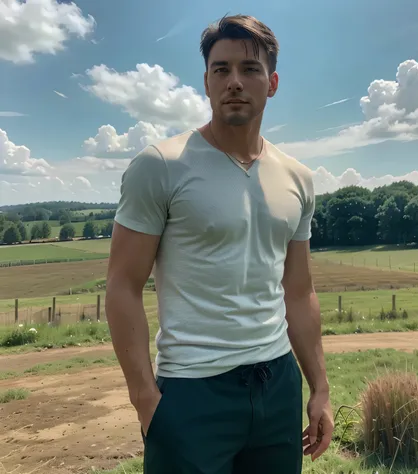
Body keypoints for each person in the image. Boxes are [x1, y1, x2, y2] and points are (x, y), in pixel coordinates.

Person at [105, 13, 333, 474]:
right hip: (191, 391)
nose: (234, 81)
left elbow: (299, 290)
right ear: (206, 82)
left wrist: (319, 387)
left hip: (277, 384)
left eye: (249, 69)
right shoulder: (160, 166)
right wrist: (146, 399)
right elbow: (122, 286)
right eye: (221, 69)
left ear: (271, 83)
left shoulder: (298, 178)